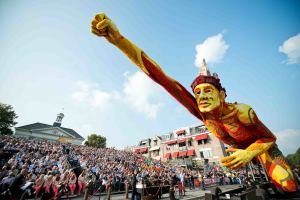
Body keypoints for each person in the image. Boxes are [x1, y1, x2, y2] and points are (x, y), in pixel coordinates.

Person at [90, 13, 299, 193]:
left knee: (288, 187)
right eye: (198, 93)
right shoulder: (201, 113)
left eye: (208, 91)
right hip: (238, 155)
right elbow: (160, 77)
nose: (202, 97)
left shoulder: (243, 112)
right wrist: (118, 40)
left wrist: (250, 152)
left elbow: (269, 137)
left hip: (262, 149)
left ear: (222, 94)